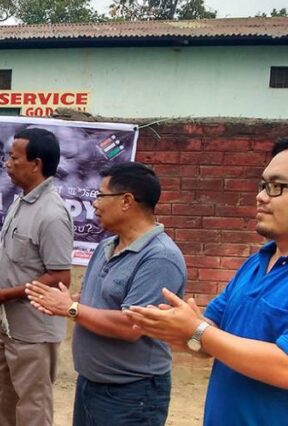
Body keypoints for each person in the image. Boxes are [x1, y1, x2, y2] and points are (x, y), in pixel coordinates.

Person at [126, 145, 288, 425]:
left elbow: (284, 367)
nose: (261, 197)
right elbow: (210, 338)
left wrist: (197, 330)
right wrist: (175, 329)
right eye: (263, 185)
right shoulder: (255, 263)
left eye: (277, 187)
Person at [26, 162, 187, 426]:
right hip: (91, 383)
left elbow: (132, 325)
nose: (95, 204)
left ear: (126, 201)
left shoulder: (160, 258)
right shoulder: (105, 247)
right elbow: (97, 299)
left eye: (100, 195)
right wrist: (65, 301)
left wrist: (70, 308)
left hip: (132, 394)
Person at [0, 128, 73, 426]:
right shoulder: (20, 201)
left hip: (33, 331)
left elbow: (60, 276)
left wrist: (7, 295)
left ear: (35, 164)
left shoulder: (52, 214)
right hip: (5, 325)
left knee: (32, 408)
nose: (7, 164)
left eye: (14, 157)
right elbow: (16, 252)